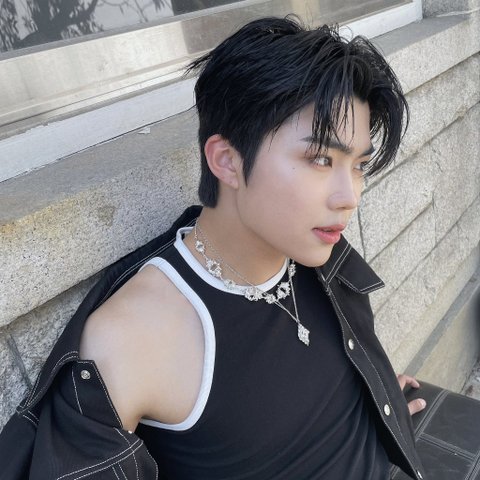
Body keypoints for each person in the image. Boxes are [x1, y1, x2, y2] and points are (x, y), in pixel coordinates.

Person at [0, 16, 427, 480]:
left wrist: (373, 398)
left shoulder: (312, 250)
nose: (349, 196)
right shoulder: (133, 337)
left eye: (358, 164)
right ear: (227, 160)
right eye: (321, 159)